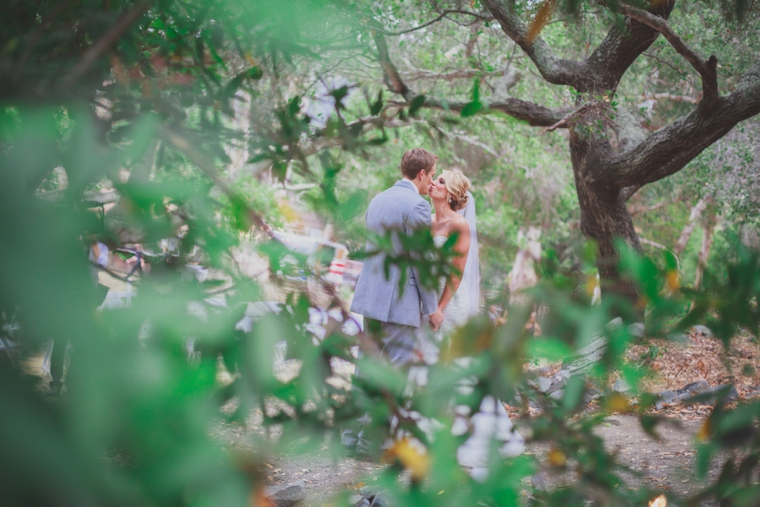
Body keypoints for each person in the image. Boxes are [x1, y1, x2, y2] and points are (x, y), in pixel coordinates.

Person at [426, 169, 524, 479]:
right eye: (435, 178)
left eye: (441, 180)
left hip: (451, 306)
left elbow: (456, 272)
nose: (434, 182)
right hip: (427, 306)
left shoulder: (460, 225)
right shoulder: (427, 221)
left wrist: (440, 308)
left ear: (452, 192)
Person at [350, 147, 439, 365]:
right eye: (432, 175)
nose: (432, 182)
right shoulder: (418, 205)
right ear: (421, 174)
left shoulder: (378, 199)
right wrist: (432, 309)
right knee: (395, 370)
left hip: (370, 296)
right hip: (399, 303)